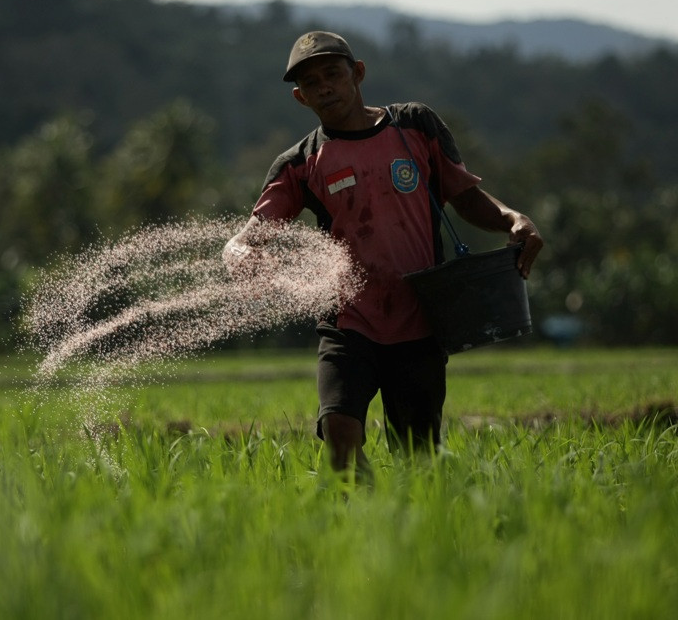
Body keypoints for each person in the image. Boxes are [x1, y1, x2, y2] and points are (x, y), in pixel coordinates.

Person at [224, 31, 543, 481]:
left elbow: (466, 198)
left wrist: (513, 218)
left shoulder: (415, 127)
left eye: (333, 74)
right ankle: (364, 532)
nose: (324, 87)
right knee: (339, 436)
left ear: (357, 73)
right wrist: (236, 251)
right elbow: (255, 232)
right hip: (348, 321)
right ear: (300, 98)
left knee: (419, 459)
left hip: (420, 320)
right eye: (311, 83)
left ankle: (412, 537)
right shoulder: (300, 163)